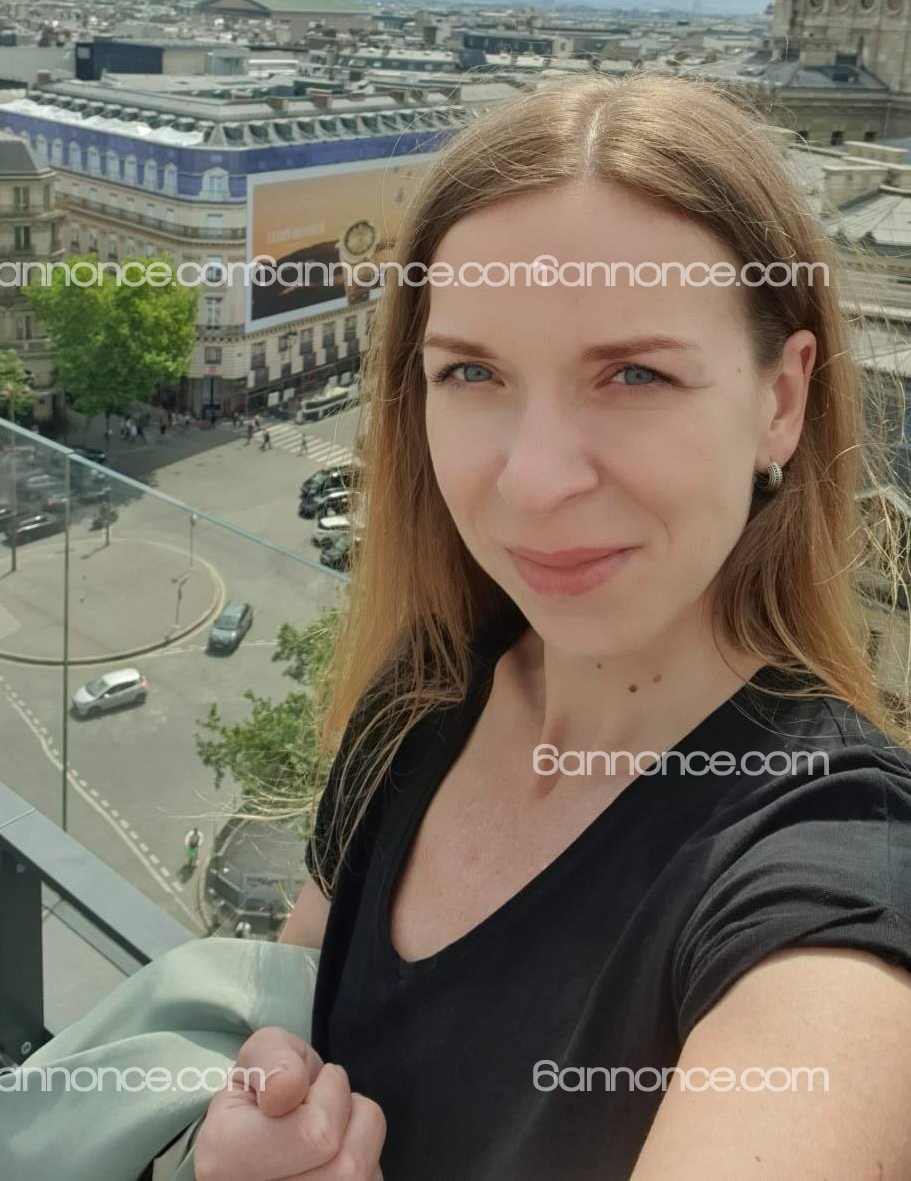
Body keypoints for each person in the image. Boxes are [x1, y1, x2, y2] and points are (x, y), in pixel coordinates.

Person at [193, 74, 911, 1181]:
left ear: (780, 400)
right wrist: (265, 1111)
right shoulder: (422, 697)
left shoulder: (832, 868)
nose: (534, 479)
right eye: (471, 371)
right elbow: (283, 1015)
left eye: (635, 373)